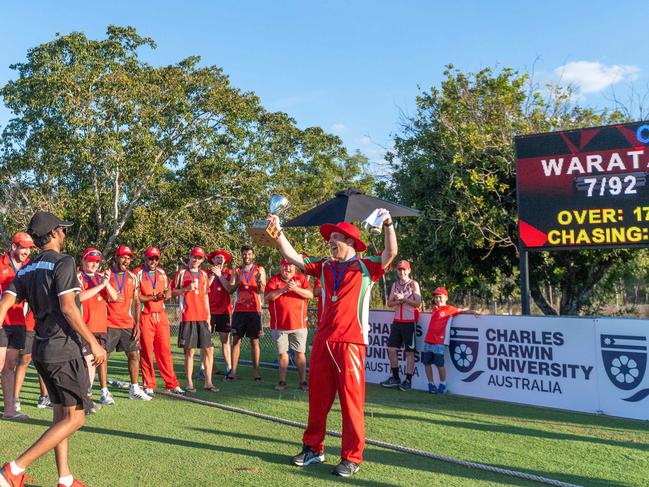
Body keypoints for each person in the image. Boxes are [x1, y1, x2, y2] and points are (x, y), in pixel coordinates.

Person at [270, 210, 397, 477]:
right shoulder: (325, 266)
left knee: (351, 403)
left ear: (350, 242)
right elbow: (293, 257)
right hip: (323, 342)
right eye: (330, 238)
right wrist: (278, 232)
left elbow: (390, 253)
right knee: (317, 399)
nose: (330, 242)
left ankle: (352, 457)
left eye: (335, 238)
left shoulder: (366, 267)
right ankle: (313, 449)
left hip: (351, 343)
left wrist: (388, 224)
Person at [0, 211, 107, 487]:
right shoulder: (64, 261)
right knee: (76, 418)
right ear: (54, 234)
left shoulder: (26, 268)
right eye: (62, 229)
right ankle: (13, 469)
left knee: (61, 414)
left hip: (42, 349)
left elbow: (4, 304)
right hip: (65, 349)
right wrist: (93, 343)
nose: (64, 233)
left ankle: (65, 479)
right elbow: (69, 307)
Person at [136, 247, 183, 396]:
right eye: (150, 258)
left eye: (156, 259)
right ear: (145, 258)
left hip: (160, 315)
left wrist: (166, 295)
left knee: (165, 351)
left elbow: (168, 290)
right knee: (147, 352)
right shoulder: (138, 273)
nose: (153, 261)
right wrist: (153, 297)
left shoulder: (161, 273)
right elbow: (137, 297)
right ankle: (148, 384)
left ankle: (172, 383)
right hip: (145, 315)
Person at [106, 245, 151, 401]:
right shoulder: (106, 275)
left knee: (133, 355)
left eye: (128, 258)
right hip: (109, 323)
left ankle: (134, 388)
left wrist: (137, 324)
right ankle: (103, 391)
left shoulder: (133, 277)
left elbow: (137, 302)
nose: (126, 260)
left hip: (127, 323)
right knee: (103, 356)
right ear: (116, 258)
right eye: (123, 257)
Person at [172, 246, 218, 393]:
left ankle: (208, 382)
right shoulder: (181, 273)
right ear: (190, 256)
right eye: (194, 257)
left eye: (199, 258)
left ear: (202, 260)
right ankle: (190, 383)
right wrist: (186, 289)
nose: (195, 260)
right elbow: (171, 292)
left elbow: (205, 296)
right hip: (188, 317)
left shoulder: (204, 275)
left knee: (208, 350)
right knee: (189, 351)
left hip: (202, 318)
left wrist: (208, 317)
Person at [0, 232, 35, 420]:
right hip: (2, 321)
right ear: (14, 246)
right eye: (24, 247)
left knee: (10, 366)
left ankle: (9, 410)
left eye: (29, 248)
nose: (27, 251)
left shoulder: (29, 266)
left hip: (18, 322)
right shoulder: (1, 263)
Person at [77, 247, 118, 408]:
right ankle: (84, 397)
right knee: (86, 360)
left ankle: (87, 396)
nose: (93, 265)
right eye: (90, 261)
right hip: (84, 326)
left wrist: (105, 283)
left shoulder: (101, 278)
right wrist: (100, 286)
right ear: (83, 260)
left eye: (96, 262)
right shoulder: (78, 277)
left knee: (92, 361)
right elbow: (79, 297)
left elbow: (115, 297)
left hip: (100, 327)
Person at [264, 258, 313, 391]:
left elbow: (310, 294)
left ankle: (303, 382)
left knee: (300, 353)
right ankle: (282, 381)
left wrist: (295, 289)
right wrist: (284, 289)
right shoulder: (274, 280)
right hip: (279, 325)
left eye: (291, 266)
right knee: (282, 354)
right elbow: (267, 298)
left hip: (299, 325)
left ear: (295, 267)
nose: (288, 269)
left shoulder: (301, 278)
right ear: (281, 267)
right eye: (285, 266)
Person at [422, 287, 479, 394]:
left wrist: (474, 311)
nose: (437, 299)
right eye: (436, 297)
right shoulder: (435, 308)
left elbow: (462, 310)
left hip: (439, 342)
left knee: (439, 364)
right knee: (426, 363)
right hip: (428, 340)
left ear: (446, 297)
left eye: (440, 297)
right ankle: (431, 383)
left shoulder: (450, 309)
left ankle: (443, 384)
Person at [380, 259, 422, 391]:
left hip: (409, 322)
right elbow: (389, 303)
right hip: (397, 322)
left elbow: (418, 303)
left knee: (409, 352)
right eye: (399, 269)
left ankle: (408, 380)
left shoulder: (413, 284)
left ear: (409, 270)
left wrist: (403, 299)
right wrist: (397, 301)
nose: (401, 272)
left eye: (404, 269)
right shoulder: (395, 285)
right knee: (392, 349)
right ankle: (395, 377)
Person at [227, 245, 266, 382]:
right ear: (241, 255)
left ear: (253, 255)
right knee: (236, 340)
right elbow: (231, 290)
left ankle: (256, 372)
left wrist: (260, 280)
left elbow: (262, 290)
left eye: (249, 254)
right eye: (244, 254)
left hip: (254, 310)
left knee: (254, 341)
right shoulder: (236, 270)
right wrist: (238, 280)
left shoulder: (259, 269)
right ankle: (233, 372)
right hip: (239, 310)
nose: (247, 257)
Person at [14, 308, 53, 411]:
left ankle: (44, 397)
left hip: (46, 327)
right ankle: (14, 398)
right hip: (30, 325)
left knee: (43, 362)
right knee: (24, 360)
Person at [207, 249, 234, 377]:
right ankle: (210, 367)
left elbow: (229, 289)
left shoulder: (228, 273)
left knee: (225, 341)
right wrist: (213, 275)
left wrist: (220, 275)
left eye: (222, 258)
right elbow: (204, 288)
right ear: (213, 260)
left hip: (224, 311)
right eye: (217, 257)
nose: (220, 260)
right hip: (209, 312)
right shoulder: (206, 273)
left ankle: (229, 369)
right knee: (208, 341)